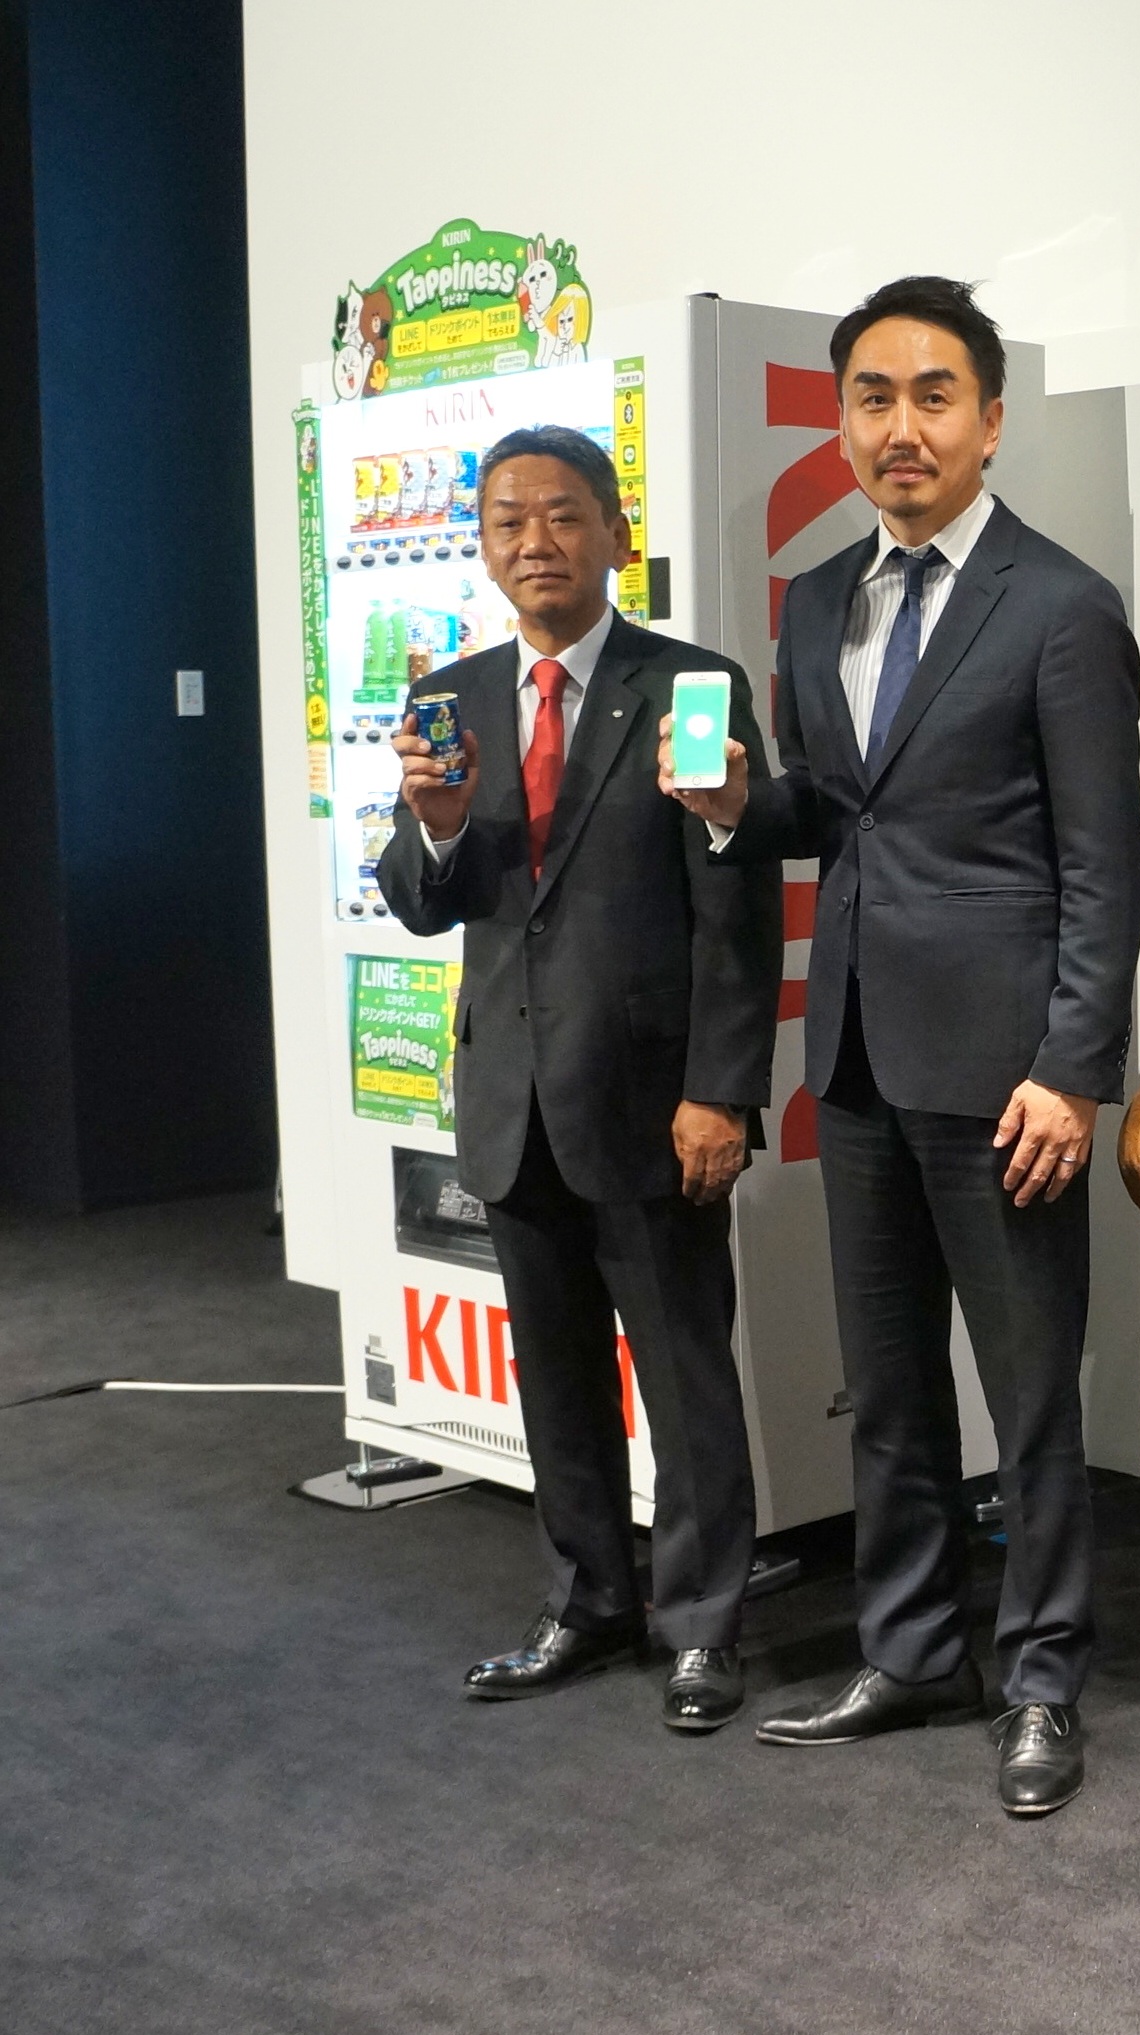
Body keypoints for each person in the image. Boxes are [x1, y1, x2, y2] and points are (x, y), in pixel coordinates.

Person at [665, 276, 1140, 1819]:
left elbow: (1104, 860)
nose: (901, 426)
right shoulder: (815, 599)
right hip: (858, 1055)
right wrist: (740, 806)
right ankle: (912, 1651)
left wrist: (1074, 1067)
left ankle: (1042, 1677)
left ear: (990, 421)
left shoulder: (1061, 605)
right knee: (885, 1389)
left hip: (1009, 1075)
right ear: (841, 422)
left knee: (1031, 1394)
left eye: (934, 395)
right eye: (871, 397)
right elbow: (835, 806)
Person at [383, 425, 778, 1732]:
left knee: (686, 1380)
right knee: (555, 1382)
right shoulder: (453, 693)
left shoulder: (693, 685)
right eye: (507, 521)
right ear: (483, 546)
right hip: (513, 1104)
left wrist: (723, 1090)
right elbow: (423, 898)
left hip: (655, 1106)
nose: (535, 542)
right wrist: (437, 827)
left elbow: (736, 911)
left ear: (614, 531)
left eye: (562, 515)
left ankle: (704, 1625)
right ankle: (590, 1600)